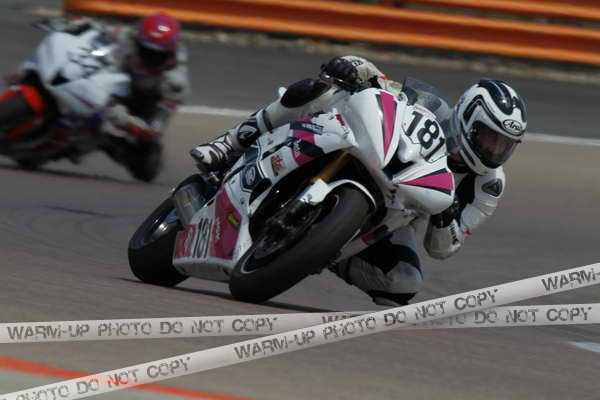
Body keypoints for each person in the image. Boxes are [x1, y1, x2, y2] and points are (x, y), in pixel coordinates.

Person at [191, 56, 527, 306]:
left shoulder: (488, 185)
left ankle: (325, 250)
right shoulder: (432, 108)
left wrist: (445, 216)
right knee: (320, 91)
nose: (494, 151)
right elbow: (379, 81)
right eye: (488, 138)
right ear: (467, 119)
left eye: (504, 145)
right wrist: (353, 68)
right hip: (366, 152)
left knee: (403, 283)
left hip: (395, 216)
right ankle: (229, 144)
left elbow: (444, 248)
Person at [23, 14, 190, 181]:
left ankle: (91, 143)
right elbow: (98, 28)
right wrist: (77, 23)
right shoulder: (127, 36)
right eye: (145, 50)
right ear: (137, 40)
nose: (150, 58)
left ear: (170, 54)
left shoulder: (175, 84)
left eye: (156, 55)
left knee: (147, 165)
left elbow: (155, 128)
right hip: (112, 78)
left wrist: (127, 121)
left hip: (138, 104)